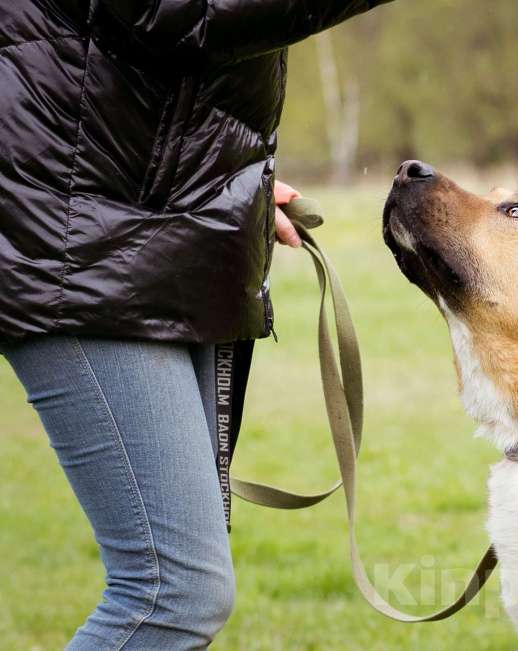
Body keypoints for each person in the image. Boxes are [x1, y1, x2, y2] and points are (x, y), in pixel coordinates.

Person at [0, 1, 391, 648]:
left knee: (181, 592)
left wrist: (228, 173)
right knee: (174, 594)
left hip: (152, 219)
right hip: (77, 236)